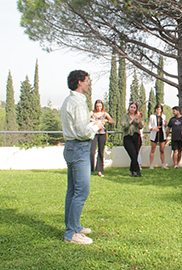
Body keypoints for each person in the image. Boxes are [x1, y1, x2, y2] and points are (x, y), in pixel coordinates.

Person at [61, 70, 104, 244]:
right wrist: (97, 125)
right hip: (79, 148)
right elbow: (82, 132)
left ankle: (74, 226)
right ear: (79, 82)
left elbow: (77, 127)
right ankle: (71, 234)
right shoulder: (79, 102)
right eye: (87, 81)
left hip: (71, 147)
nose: (89, 84)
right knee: (81, 191)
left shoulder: (68, 100)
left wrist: (91, 123)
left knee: (72, 191)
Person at [90, 99, 115, 177]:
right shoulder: (91, 113)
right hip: (94, 133)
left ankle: (99, 170)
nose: (98, 108)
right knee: (91, 152)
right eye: (97, 106)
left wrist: (106, 120)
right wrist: (91, 119)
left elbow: (112, 121)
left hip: (102, 133)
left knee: (101, 151)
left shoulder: (104, 113)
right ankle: (90, 169)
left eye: (100, 106)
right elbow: (85, 119)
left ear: (102, 106)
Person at [121, 102, 144, 177]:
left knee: (135, 155)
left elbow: (140, 126)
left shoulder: (137, 116)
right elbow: (125, 126)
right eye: (131, 107)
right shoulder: (125, 116)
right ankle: (138, 171)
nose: (132, 109)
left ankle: (131, 171)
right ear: (129, 108)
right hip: (128, 138)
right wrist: (133, 119)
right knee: (133, 155)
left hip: (136, 137)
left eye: (134, 107)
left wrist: (139, 119)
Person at [149, 104, 168, 169]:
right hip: (154, 134)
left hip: (162, 134)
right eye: (157, 109)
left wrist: (165, 124)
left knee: (162, 150)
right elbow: (149, 126)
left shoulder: (163, 116)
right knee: (153, 150)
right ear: (155, 109)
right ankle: (151, 164)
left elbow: (164, 126)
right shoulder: (152, 116)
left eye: (160, 109)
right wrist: (154, 129)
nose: (158, 110)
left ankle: (163, 164)